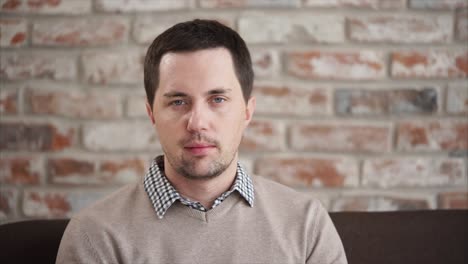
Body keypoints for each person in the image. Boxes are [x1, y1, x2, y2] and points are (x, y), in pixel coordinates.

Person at [56, 19, 347, 264]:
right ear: (151, 113)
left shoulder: (306, 224)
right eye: (178, 101)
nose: (197, 122)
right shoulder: (94, 236)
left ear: (247, 111)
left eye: (217, 99)